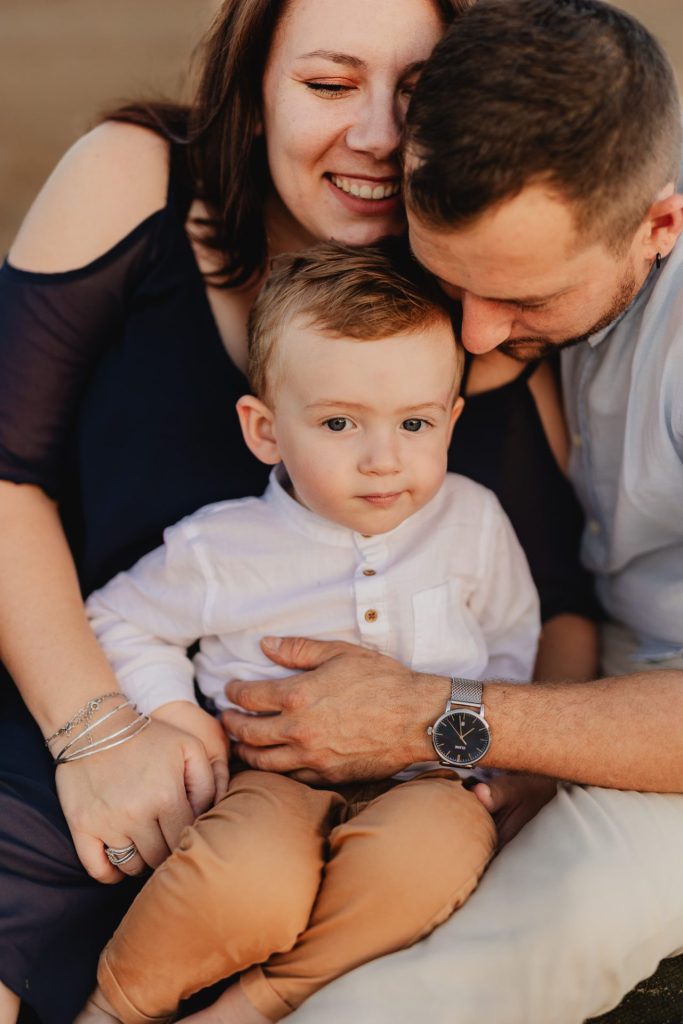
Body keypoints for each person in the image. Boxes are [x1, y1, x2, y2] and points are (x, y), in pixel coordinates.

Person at [0, 2, 483, 1021]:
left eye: (418, 90)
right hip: (65, 698)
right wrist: (98, 736)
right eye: (327, 84)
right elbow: (5, 473)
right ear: (255, 95)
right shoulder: (133, 176)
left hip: (345, 808)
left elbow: (552, 587)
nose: (379, 135)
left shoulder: (475, 270)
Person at [215, 2, 682, 1022]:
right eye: (449, 276)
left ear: (658, 225)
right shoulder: (511, 252)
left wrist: (444, 718)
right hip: (583, 666)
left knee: (514, 946)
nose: (473, 333)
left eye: (524, 301)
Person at [76, 241, 541, 1024]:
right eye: (337, 423)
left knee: (435, 857)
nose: (382, 460)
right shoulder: (220, 547)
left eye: (416, 422)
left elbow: (508, 639)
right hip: (268, 776)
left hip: (425, 782)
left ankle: (261, 1002)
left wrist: (498, 752)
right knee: (242, 883)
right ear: (265, 430)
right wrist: (173, 713)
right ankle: (118, 1008)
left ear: (452, 420)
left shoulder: (471, 521)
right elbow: (117, 618)